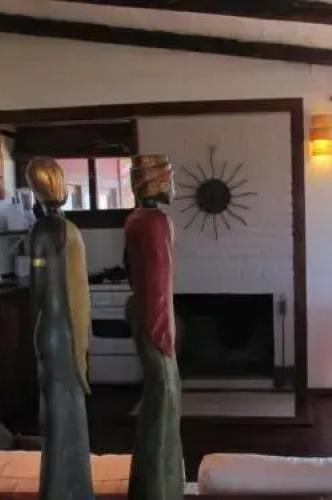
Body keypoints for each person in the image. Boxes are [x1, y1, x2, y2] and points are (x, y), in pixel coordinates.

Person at [26, 156, 93, 500]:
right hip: (69, 331)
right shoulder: (71, 230)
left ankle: (58, 488)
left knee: (54, 413)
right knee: (71, 409)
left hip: (50, 330)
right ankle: (76, 486)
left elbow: (37, 288)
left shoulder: (41, 230)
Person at [124, 154, 184, 500]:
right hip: (155, 323)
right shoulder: (156, 222)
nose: (173, 185)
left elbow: (137, 276)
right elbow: (158, 285)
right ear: (155, 181)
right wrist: (165, 335)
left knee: (158, 403)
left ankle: (152, 486)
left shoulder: (135, 220)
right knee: (165, 403)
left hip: (143, 317)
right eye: (169, 177)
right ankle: (158, 488)